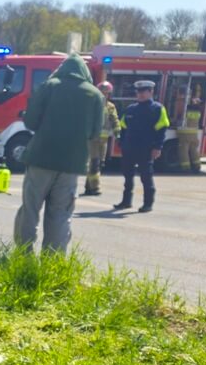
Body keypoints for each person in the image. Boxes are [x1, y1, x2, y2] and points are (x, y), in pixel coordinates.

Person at [12, 54, 104, 254]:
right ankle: (52, 263)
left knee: (30, 209)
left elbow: (30, 122)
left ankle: (23, 256)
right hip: (72, 163)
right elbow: (96, 132)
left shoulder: (49, 86)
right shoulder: (95, 95)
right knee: (61, 214)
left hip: (41, 158)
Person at [114, 80, 169, 213]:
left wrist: (158, 147)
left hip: (146, 148)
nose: (140, 94)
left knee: (146, 176)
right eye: (138, 92)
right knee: (128, 176)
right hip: (129, 148)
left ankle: (148, 203)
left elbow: (162, 129)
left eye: (144, 91)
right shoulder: (131, 109)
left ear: (151, 92)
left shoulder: (157, 108)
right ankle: (126, 201)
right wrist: (121, 142)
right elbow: (123, 127)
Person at [83, 81, 118, 196]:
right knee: (94, 163)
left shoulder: (110, 106)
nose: (105, 95)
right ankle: (95, 188)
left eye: (107, 93)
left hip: (104, 140)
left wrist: (118, 131)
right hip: (92, 139)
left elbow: (114, 119)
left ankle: (89, 187)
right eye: (102, 92)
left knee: (100, 163)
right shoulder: (91, 105)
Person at [178, 91, 204, 173]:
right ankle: (197, 166)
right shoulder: (198, 112)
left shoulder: (187, 112)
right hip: (194, 135)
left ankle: (186, 168)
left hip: (185, 134)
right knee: (193, 150)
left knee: (183, 150)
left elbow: (179, 118)